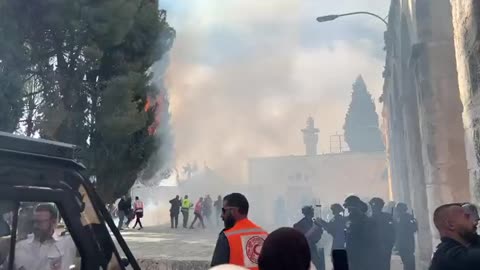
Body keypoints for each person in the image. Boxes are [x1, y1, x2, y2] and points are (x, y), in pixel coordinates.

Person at [211, 193, 268, 269]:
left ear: (234, 211)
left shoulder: (227, 237)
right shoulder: (265, 235)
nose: (221, 215)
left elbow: (218, 268)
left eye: (224, 211)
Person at [11, 204, 77, 270]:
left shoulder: (68, 244)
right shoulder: (20, 247)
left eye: (40, 222)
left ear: (53, 222)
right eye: (34, 221)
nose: (35, 226)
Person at [429, 203, 480, 270]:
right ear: (451, 225)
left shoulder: (469, 244)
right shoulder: (447, 256)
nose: (475, 222)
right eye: (467, 216)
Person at [343, 195, 377, 270]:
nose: (348, 211)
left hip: (360, 255)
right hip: (354, 254)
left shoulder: (361, 220)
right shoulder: (354, 219)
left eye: (349, 208)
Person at [293, 205, 325, 270]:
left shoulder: (312, 222)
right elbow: (304, 237)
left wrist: (320, 230)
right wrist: (314, 228)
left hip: (312, 246)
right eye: (311, 211)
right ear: (308, 213)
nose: (313, 213)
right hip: (304, 247)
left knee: (319, 264)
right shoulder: (300, 224)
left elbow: (316, 238)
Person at [369, 197, 395, 270]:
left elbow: (393, 231)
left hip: (384, 246)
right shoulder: (369, 219)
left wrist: (390, 244)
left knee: (383, 265)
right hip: (377, 246)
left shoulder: (369, 219)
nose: (374, 208)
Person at [395, 203, 417, 270]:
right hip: (406, 243)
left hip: (405, 243)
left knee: (408, 262)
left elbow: (414, 228)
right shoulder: (402, 218)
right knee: (408, 262)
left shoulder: (406, 217)